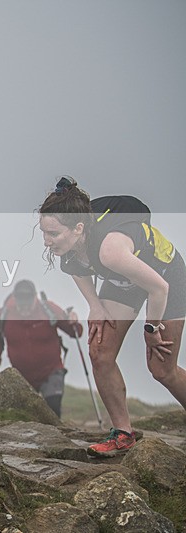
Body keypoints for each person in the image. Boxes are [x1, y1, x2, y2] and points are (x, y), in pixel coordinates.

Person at [38, 176, 186, 457]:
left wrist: (151, 329)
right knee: (100, 352)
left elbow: (159, 289)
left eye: (53, 234)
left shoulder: (110, 250)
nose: (47, 242)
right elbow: (79, 272)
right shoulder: (68, 249)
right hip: (123, 282)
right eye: (44, 233)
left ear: (78, 228)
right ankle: (122, 434)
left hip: (165, 277)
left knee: (162, 369)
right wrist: (95, 306)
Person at [0, 279, 83, 417]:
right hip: (22, 375)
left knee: (53, 408)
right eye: (21, 301)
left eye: (28, 300)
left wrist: (73, 322)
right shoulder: (4, 314)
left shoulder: (48, 309)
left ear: (34, 297)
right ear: (15, 299)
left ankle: (55, 436)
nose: (25, 306)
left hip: (51, 371)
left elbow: (75, 332)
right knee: (25, 415)